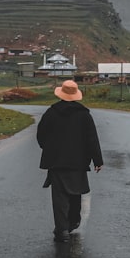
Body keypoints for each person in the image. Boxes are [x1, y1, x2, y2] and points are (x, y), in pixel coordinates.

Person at [37, 79, 104, 242]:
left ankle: (62, 229)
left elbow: (41, 135)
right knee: (75, 193)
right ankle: (73, 222)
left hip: (56, 162)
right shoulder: (84, 115)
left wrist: (49, 149)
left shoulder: (51, 112)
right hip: (78, 162)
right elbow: (92, 139)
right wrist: (97, 160)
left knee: (59, 197)